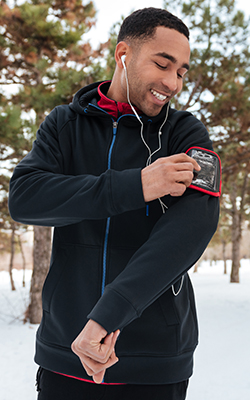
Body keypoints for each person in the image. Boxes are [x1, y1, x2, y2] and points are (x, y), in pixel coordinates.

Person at [8, 7, 221, 400]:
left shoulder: (186, 133)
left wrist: (108, 314)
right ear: (124, 54)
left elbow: (193, 225)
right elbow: (24, 197)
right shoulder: (63, 125)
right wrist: (136, 185)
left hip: (155, 364)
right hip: (65, 356)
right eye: (163, 64)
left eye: (182, 71)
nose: (172, 82)